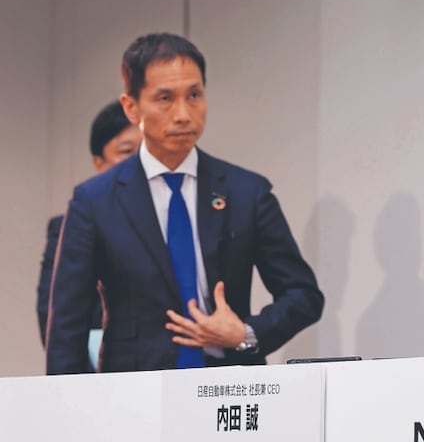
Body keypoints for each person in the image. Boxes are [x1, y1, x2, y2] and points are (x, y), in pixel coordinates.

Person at [46, 33, 324, 373]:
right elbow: (66, 327)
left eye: (194, 95)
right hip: (134, 389)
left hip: (230, 389)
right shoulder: (95, 201)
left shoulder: (246, 192)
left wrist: (246, 333)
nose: (183, 114)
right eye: (165, 98)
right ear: (131, 107)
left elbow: (303, 294)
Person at [36, 102, 141, 364]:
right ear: (99, 162)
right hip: (99, 373)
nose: (139, 163)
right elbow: (55, 316)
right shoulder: (68, 226)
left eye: (148, 152)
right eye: (127, 151)